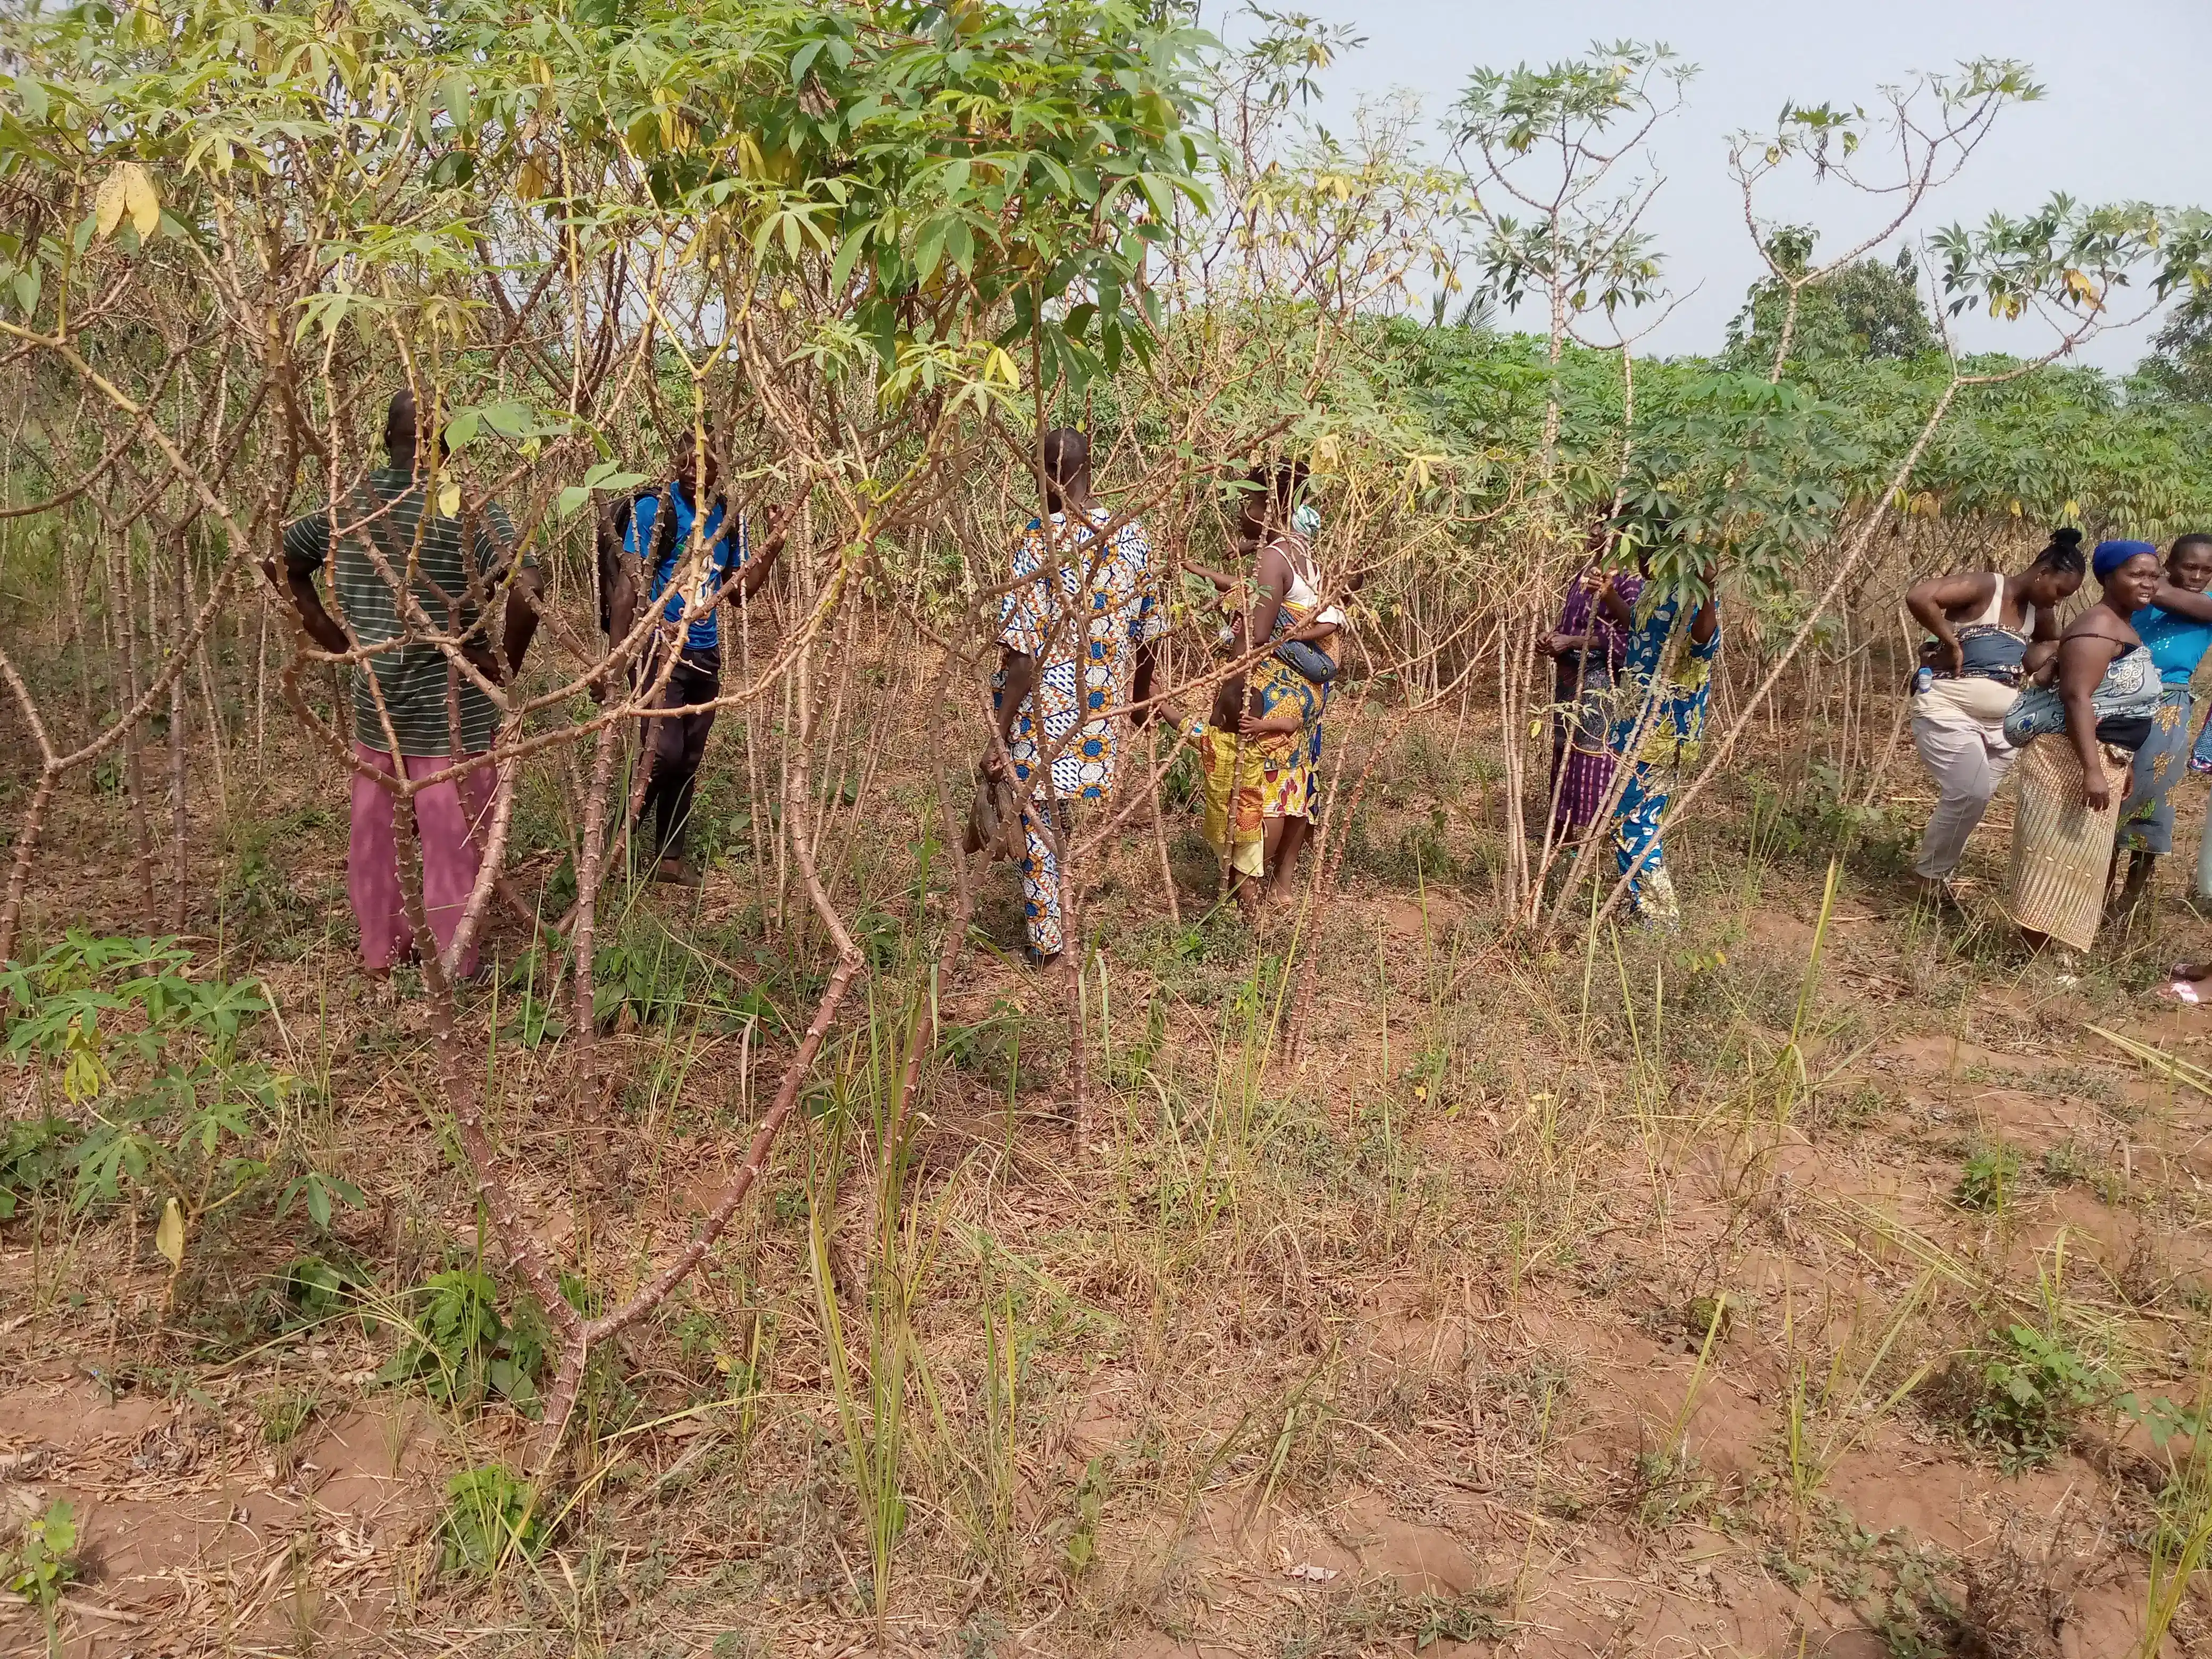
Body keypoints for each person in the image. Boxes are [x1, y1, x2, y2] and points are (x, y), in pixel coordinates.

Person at [274, 389, 541, 979]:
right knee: (452, 840)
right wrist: (505, 667)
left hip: (378, 710)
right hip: (457, 716)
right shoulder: (467, 508)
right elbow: (530, 585)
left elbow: (280, 559)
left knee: (375, 835)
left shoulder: (351, 506)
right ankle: (452, 962)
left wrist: (330, 635)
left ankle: (380, 954)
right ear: (449, 444)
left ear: (384, 440)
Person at [988, 429, 1164, 966]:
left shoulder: (1035, 543)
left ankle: (1049, 948)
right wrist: (1134, 701)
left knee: (1036, 821)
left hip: (1045, 713)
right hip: (1096, 715)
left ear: (1047, 473)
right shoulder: (1131, 536)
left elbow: (1021, 659)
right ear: (1089, 467)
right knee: (1053, 817)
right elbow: (1149, 632)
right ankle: (1061, 924)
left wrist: (997, 732)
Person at [604, 424, 792, 885]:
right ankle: (613, 849)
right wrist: (616, 659)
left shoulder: (728, 517)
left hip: (705, 654)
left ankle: (670, 858)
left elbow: (741, 591)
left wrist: (773, 547)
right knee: (661, 753)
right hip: (657, 649)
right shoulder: (653, 509)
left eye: (704, 465)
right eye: (685, 462)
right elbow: (628, 587)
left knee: (688, 758)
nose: (693, 472)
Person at [2001, 540, 2165, 956]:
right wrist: (2092, 770)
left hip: (2100, 756)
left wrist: (2120, 763)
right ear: (2108, 578)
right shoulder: (2098, 626)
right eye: (2136, 574)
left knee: (2078, 858)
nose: (2148, 583)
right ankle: (2032, 953)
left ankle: (2055, 951)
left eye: (2153, 575)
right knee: (2052, 855)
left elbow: (2116, 703)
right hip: (2066, 760)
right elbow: (2077, 697)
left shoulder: (2119, 624)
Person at [1903, 531, 2083, 896]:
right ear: (2042, 572)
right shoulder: (1989, 587)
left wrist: (2041, 663)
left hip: (2004, 726)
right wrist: (1949, 641)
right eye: (2060, 590)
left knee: (1973, 800)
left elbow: (2049, 644)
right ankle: (1928, 877)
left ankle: (1935, 878)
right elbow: (1920, 596)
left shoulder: (2040, 612)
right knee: (1969, 793)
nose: (2059, 601)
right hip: (1948, 708)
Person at [1229, 460, 1344, 903]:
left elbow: (1258, 635)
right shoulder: (1306, 550)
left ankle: (1250, 886)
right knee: (1300, 779)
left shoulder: (1275, 558)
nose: (1244, 508)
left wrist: (1231, 680)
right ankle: (1283, 884)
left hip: (1279, 685)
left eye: (1250, 501)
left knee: (1272, 787)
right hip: (1311, 688)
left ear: (1269, 505)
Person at [1605, 545, 1720, 930]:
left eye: (1651, 552)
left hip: (1665, 734)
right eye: (1639, 551)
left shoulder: (1690, 598)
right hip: (1632, 726)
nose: (1640, 560)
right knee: (1628, 819)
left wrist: (1708, 589)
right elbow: (1639, 629)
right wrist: (1609, 598)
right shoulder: (1652, 591)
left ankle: (1661, 917)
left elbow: (1705, 641)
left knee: (1635, 824)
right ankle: (1644, 906)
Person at [2109, 533, 2212, 916]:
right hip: (2116, 696)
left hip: (2168, 705)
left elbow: (2166, 597)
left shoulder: (2201, 604)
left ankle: (2127, 904)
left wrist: (2139, 579)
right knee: (2108, 794)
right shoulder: (2142, 594)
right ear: (2171, 565)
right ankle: (2096, 892)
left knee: (2153, 802)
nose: (2198, 576)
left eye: (2207, 569)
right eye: (2189, 566)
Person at [1542, 537, 1641, 844]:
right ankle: (1563, 839)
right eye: (1593, 524)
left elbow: (1631, 637)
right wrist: (1553, 638)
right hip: (1569, 682)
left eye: (1603, 525)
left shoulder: (1630, 579)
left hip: (1602, 684)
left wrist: (1573, 643)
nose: (1594, 532)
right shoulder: (1584, 572)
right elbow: (1569, 624)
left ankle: (1597, 841)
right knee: (1565, 754)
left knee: (1596, 757)